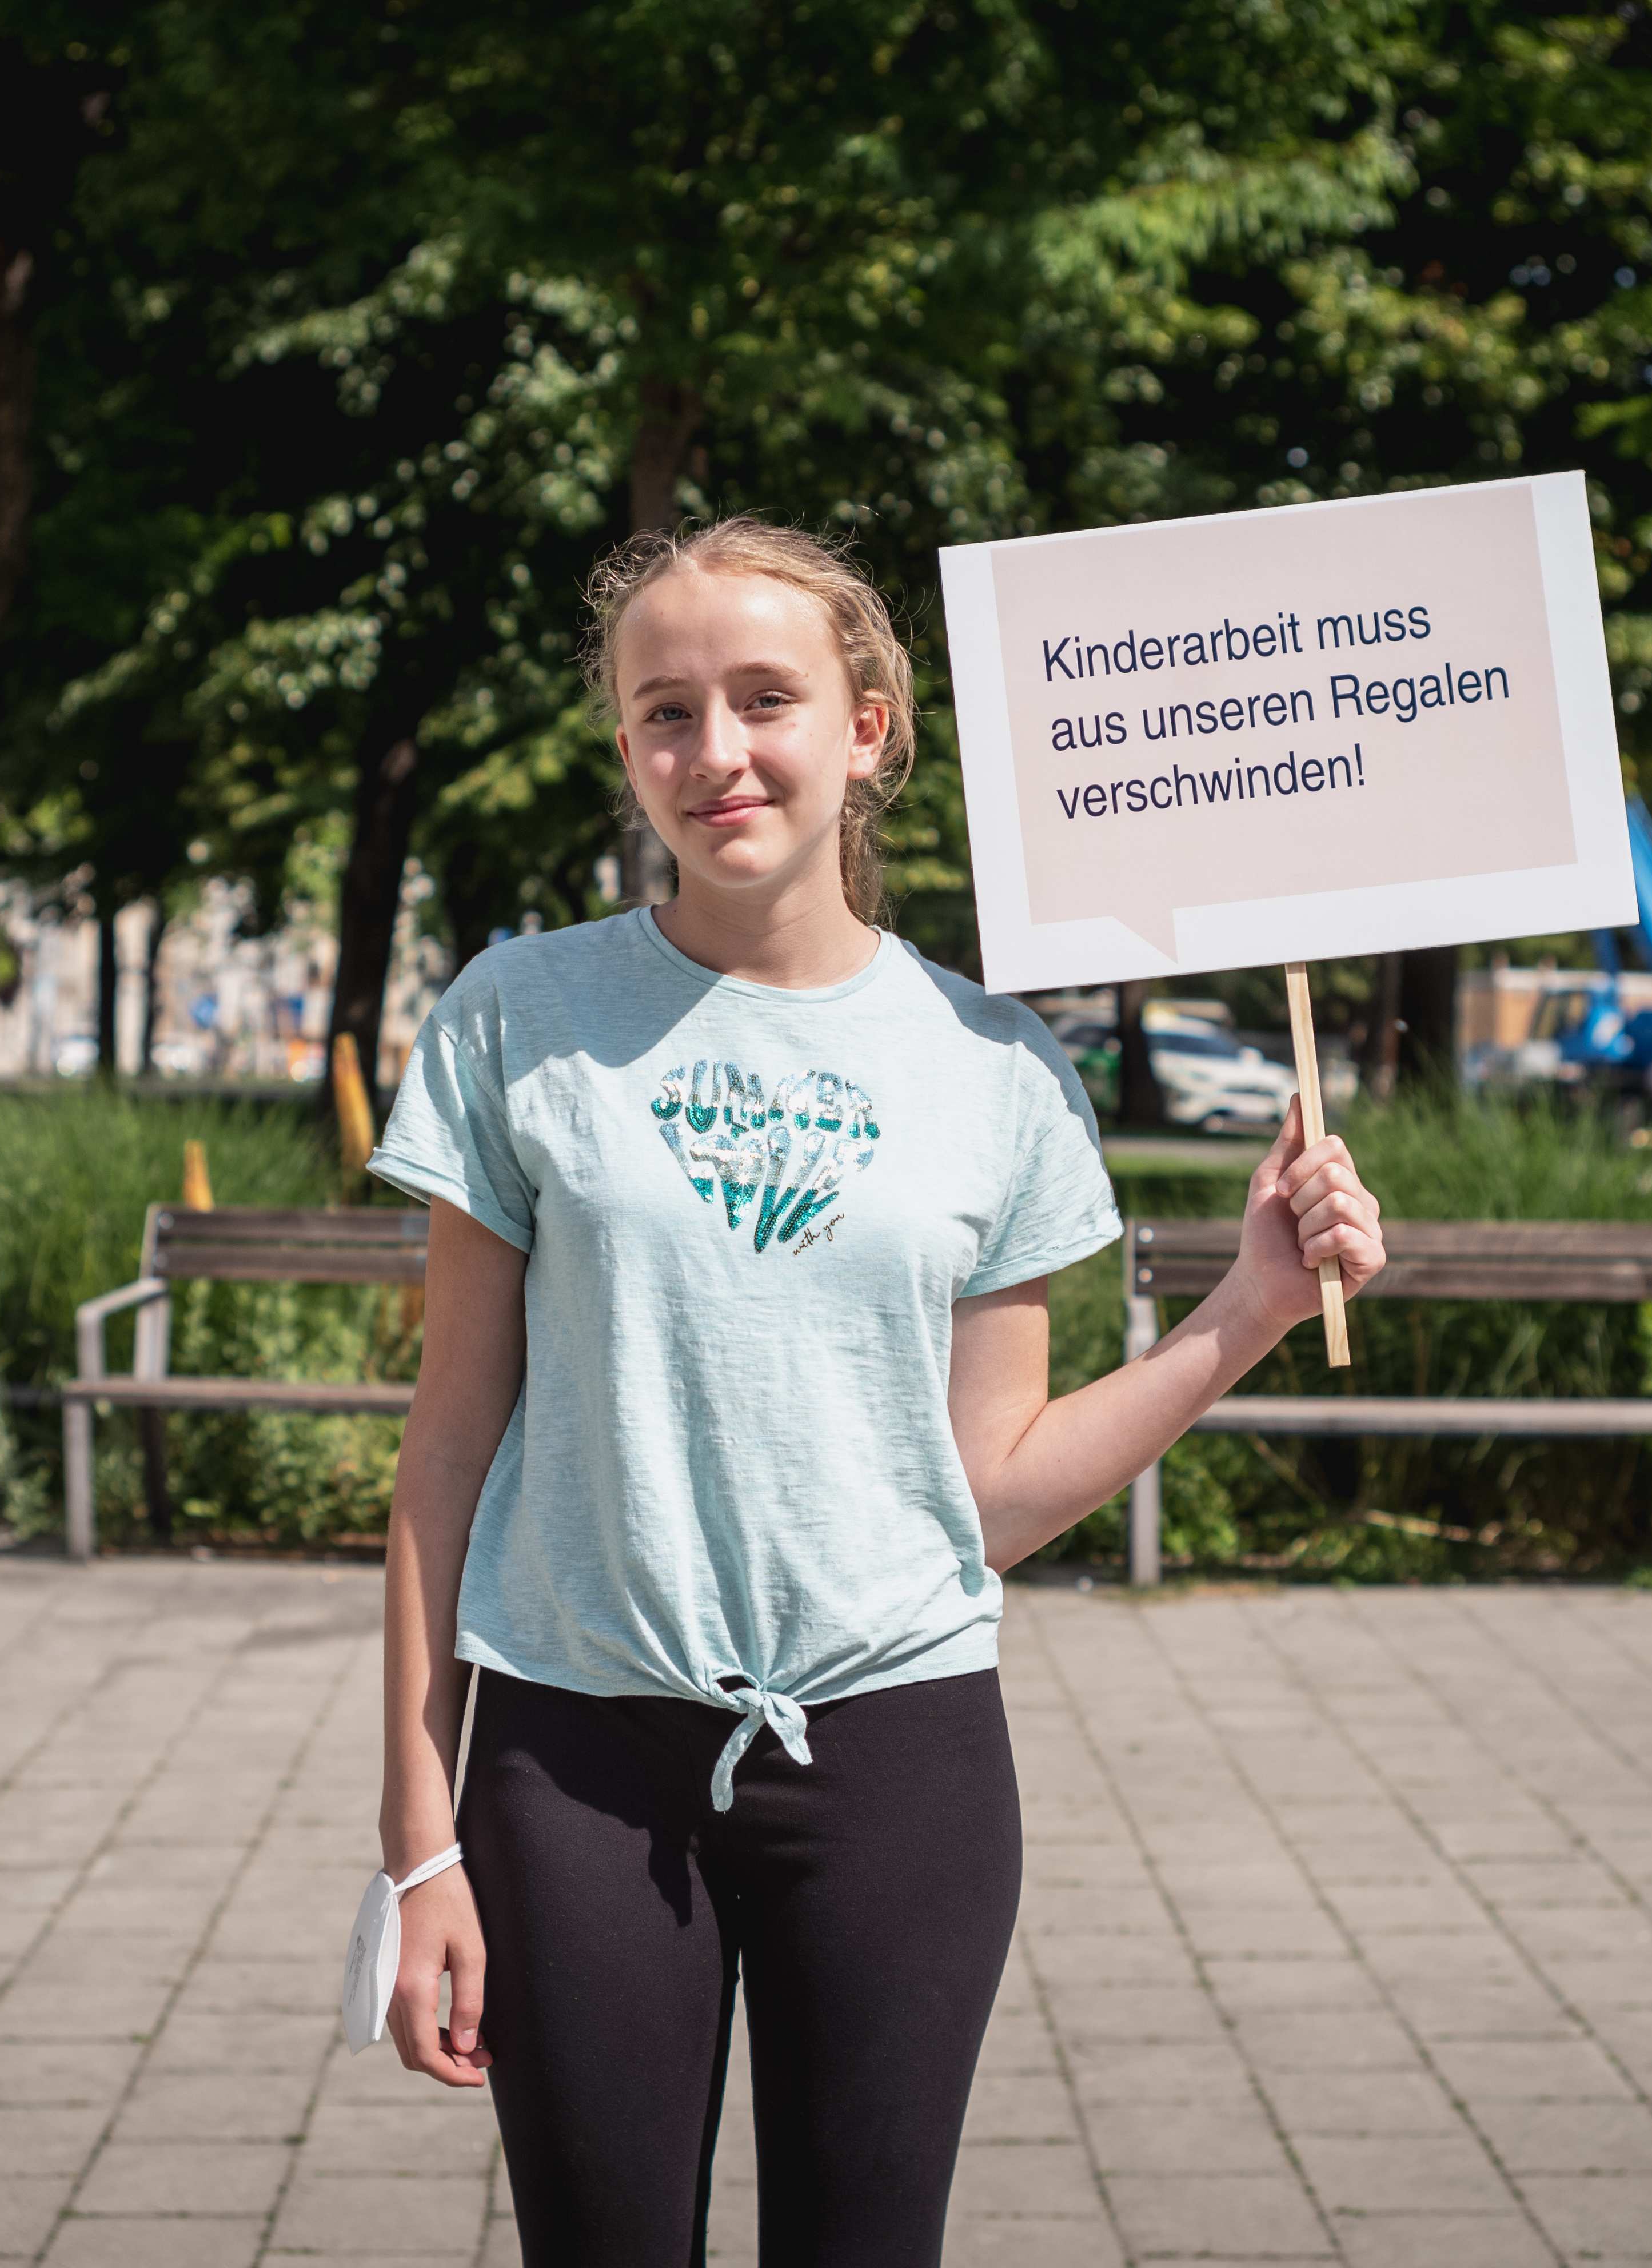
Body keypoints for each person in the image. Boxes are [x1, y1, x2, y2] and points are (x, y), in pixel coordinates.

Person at [366, 517, 1387, 2266]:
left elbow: (989, 1493)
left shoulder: (996, 1069)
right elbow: (446, 1452)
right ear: (626, 748)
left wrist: (1251, 1311)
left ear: (870, 725)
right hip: (576, 1752)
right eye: (664, 712)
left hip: (896, 1750)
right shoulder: (517, 1019)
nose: (718, 752)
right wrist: (414, 1844)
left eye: (765, 698)